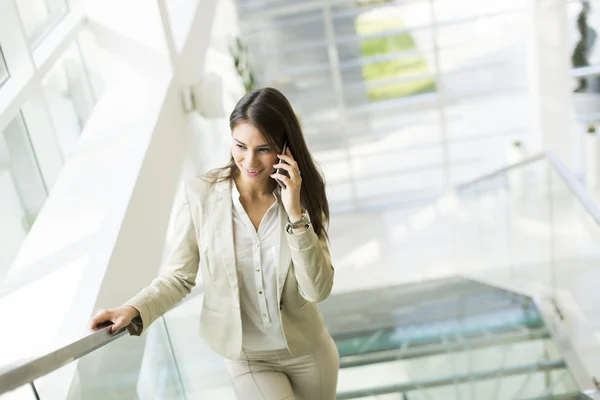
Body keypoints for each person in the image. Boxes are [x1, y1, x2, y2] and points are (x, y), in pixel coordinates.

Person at [89, 87, 339, 399]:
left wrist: (294, 213)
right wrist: (133, 308)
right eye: (240, 145)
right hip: (248, 357)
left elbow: (317, 290)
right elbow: (179, 277)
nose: (249, 161)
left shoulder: (304, 195)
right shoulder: (201, 195)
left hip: (308, 351)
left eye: (264, 149)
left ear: (286, 148)